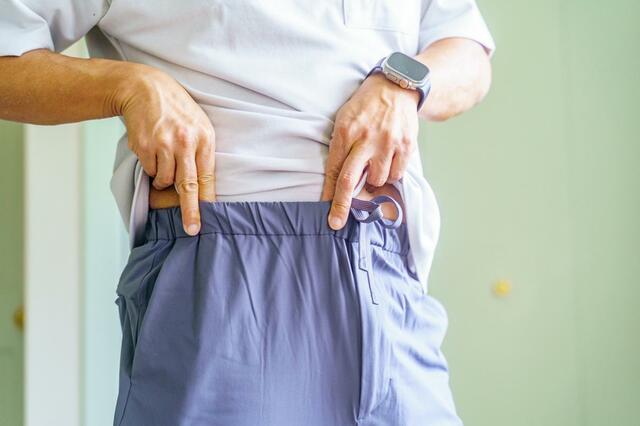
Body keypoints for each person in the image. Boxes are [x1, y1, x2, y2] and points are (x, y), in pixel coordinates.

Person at [0, 1, 495, 424]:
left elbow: (467, 52)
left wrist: (406, 83)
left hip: (387, 274)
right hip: (220, 272)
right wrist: (129, 85)